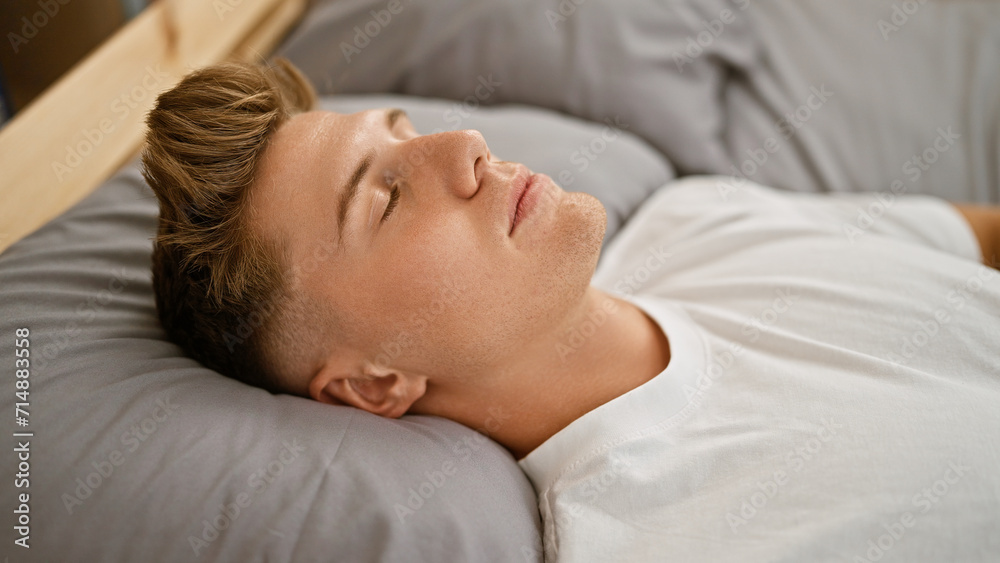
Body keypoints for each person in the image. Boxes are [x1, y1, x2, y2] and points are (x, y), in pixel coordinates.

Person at [142, 58, 1000, 561]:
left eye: (405, 129)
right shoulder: (645, 538)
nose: (465, 146)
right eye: (385, 199)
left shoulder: (699, 217)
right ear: (373, 385)